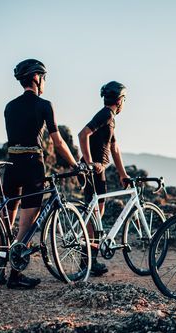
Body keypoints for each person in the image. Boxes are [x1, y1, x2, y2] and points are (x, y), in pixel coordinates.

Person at [3, 59, 78, 289]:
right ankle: (15, 276)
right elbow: (58, 143)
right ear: (37, 77)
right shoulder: (44, 104)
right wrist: (75, 165)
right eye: (44, 77)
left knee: (7, 219)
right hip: (32, 165)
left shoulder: (9, 106)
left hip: (11, 164)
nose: (45, 82)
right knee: (26, 225)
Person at [78, 81, 130, 276]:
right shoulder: (106, 114)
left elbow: (114, 147)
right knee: (94, 217)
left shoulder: (110, 118)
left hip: (98, 171)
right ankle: (87, 262)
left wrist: (122, 174)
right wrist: (91, 163)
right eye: (125, 99)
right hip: (94, 171)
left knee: (96, 214)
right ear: (120, 100)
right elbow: (83, 134)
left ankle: (90, 260)